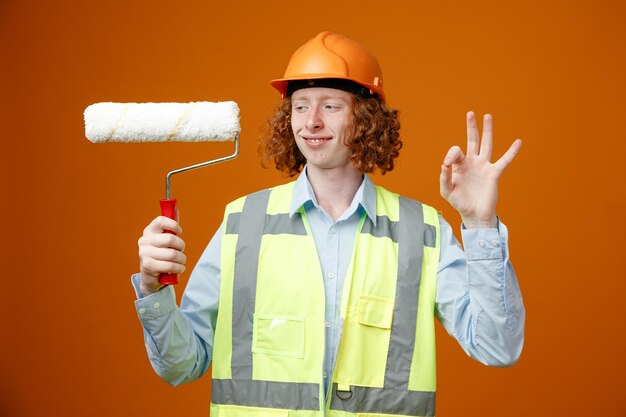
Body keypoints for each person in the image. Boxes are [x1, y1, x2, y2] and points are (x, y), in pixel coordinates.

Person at [134, 31, 525, 417]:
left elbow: (496, 347)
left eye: (331, 106)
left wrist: (480, 224)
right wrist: (153, 288)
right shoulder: (242, 223)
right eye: (300, 106)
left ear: (367, 118)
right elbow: (181, 365)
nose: (312, 122)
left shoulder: (421, 232)